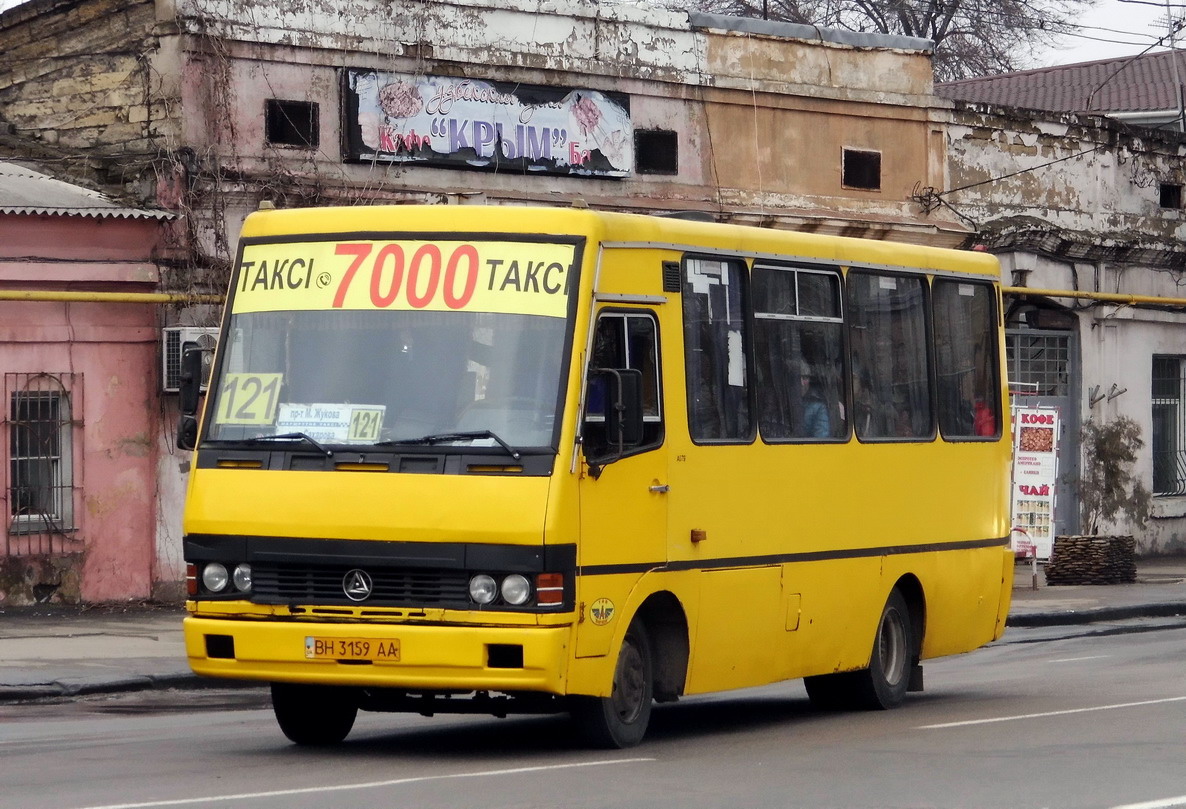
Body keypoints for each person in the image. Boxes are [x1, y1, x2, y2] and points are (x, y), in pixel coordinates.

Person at [800, 365, 831, 438]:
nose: (801, 383)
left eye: (805, 378)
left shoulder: (819, 406)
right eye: (796, 378)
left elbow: (821, 440)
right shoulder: (780, 402)